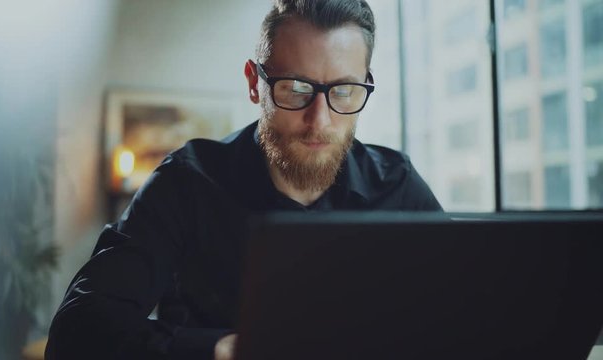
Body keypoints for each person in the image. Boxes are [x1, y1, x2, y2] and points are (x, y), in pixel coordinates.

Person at [45, 0, 442, 359]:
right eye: (296, 88)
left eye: (344, 91)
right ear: (256, 83)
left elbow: (464, 314)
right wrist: (222, 350)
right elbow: (76, 333)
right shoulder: (186, 184)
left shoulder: (398, 185)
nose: (319, 120)